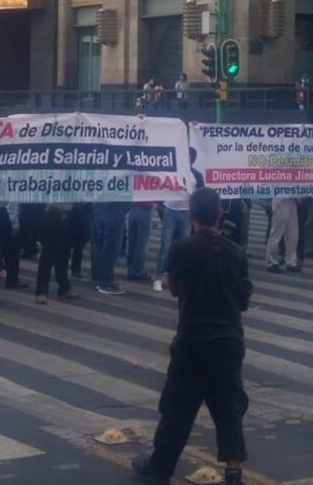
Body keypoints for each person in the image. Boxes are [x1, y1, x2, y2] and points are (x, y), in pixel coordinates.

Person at [132, 188, 251, 485]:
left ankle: (161, 466)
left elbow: (174, 288)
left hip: (194, 338)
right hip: (228, 340)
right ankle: (234, 470)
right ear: (220, 212)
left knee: (177, 407)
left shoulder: (181, 248)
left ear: (191, 214)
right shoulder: (236, 252)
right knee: (229, 406)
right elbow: (244, 298)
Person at [34, 203, 82, 304]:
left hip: (70, 213)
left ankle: (64, 288)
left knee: (64, 255)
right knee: (47, 256)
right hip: (53, 211)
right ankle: (41, 291)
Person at [154, 178, 191, 292]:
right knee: (166, 245)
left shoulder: (195, 175)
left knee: (183, 247)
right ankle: (158, 278)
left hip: (186, 213)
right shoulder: (172, 172)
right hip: (170, 211)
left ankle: (177, 278)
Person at [265, 197, 299, 273]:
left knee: (293, 233)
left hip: (292, 199)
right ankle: (271, 262)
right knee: (276, 233)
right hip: (281, 197)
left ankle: (291, 261)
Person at [126, 200, 155, 283]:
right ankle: (137, 271)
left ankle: (130, 268)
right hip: (145, 210)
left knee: (132, 241)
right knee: (142, 244)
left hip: (133, 209)